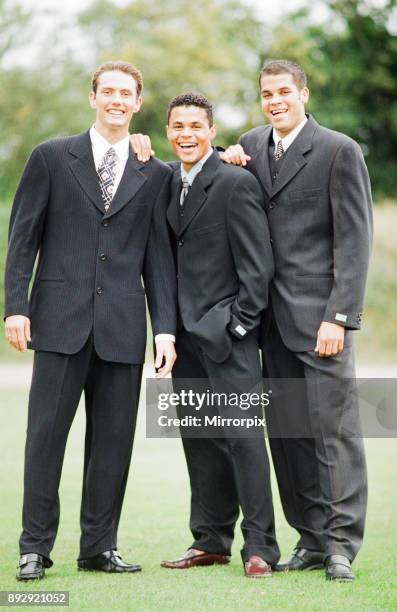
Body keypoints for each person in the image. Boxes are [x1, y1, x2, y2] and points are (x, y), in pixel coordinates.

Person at [4, 60, 177, 581]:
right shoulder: (52, 157)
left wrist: (163, 327)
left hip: (123, 329)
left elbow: (159, 258)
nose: (117, 100)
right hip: (58, 322)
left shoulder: (156, 172)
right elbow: (22, 238)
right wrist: (15, 304)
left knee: (112, 446)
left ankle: (99, 548)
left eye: (127, 93)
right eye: (108, 91)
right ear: (93, 97)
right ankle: (34, 548)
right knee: (45, 439)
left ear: (138, 102)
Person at [221, 59, 373, 581]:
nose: (275, 101)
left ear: (303, 93)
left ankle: (339, 545)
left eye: (284, 91)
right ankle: (309, 538)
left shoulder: (338, 150)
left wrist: (341, 316)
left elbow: (355, 241)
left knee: (334, 434)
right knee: (287, 436)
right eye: (267, 93)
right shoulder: (249, 145)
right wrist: (227, 161)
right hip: (269, 323)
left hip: (321, 321)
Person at [160, 92, 279, 578]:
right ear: (168, 131)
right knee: (200, 440)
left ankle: (260, 548)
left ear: (211, 131)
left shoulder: (234, 182)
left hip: (228, 337)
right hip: (182, 343)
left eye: (195, 126)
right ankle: (209, 540)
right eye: (177, 126)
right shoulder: (165, 182)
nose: (186, 134)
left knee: (244, 440)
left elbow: (258, 269)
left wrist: (237, 324)